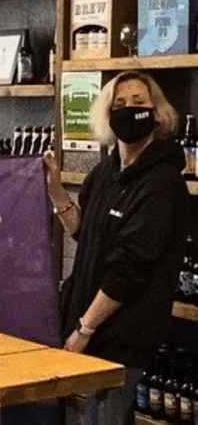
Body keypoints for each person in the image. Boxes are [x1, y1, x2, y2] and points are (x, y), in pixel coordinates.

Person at [44, 70, 189, 425]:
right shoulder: (105, 172)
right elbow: (84, 232)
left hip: (122, 335)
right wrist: (56, 190)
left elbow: (130, 268)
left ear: (157, 113)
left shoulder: (162, 183)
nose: (129, 110)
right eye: (119, 104)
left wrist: (85, 329)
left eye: (139, 103)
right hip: (90, 325)